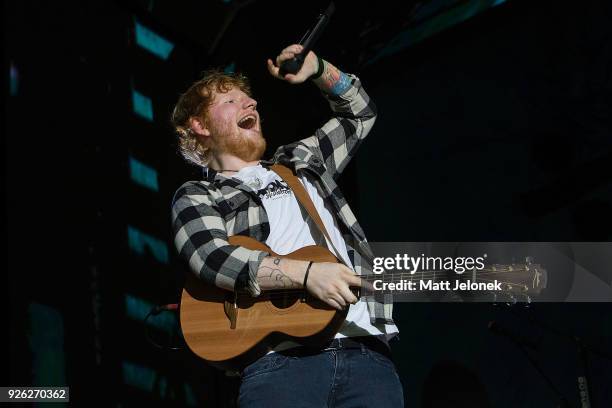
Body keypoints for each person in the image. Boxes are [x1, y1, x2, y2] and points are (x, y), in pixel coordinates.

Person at [171, 44, 403, 407]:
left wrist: (320, 68)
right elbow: (210, 256)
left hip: (366, 357)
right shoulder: (198, 193)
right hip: (277, 367)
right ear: (199, 125)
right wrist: (306, 274)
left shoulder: (301, 161)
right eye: (231, 101)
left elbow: (361, 114)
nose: (251, 104)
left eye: (250, 99)